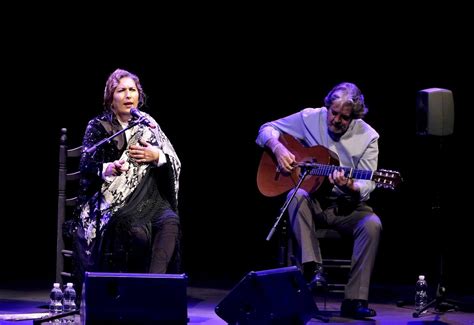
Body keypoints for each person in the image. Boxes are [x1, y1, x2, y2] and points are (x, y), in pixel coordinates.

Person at [256, 82, 381, 319]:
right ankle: (314, 269)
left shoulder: (369, 137)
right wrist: (278, 148)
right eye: (333, 113)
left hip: (347, 206)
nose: (336, 120)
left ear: (354, 117)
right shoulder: (309, 117)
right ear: (327, 108)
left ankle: (355, 300)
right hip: (312, 201)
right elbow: (265, 129)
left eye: (344, 118)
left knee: (372, 224)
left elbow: (369, 184)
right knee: (296, 195)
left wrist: (352, 186)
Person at [72, 68, 182, 288]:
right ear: (111, 98)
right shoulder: (99, 126)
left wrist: (157, 156)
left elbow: (174, 160)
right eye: (121, 90)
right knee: (135, 231)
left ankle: (154, 287)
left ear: (139, 96)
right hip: (114, 202)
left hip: (149, 199)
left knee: (170, 221)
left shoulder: (149, 124)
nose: (128, 95)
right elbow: (86, 165)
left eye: (132, 90)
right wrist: (108, 168)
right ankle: (129, 291)